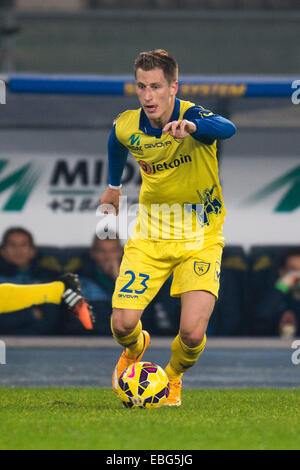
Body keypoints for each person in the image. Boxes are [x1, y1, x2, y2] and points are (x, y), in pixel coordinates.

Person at [100, 49, 236, 406]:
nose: (148, 96)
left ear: (173, 87)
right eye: (142, 87)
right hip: (150, 238)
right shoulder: (129, 123)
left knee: (192, 333)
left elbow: (228, 128)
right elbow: (116, 141)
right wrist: (114, 187)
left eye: (156, 87)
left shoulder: (192, 117)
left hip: (201, 238)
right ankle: (135, 349)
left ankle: (172, 379)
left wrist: (193, 127)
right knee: (122, 326)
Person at [0, 227, 93, 332]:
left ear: (32, 251)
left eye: (23, 245)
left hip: (43, 343)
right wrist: (31, 314)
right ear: (3, 251)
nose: (18, 250)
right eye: (12, 245)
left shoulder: (47, 278)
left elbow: (51, 320)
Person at [253, 248, 300, 338]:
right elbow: (260, 316)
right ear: (282, 272)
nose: (297, 276)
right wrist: (283, 284)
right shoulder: (269, 293)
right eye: (294, 271)